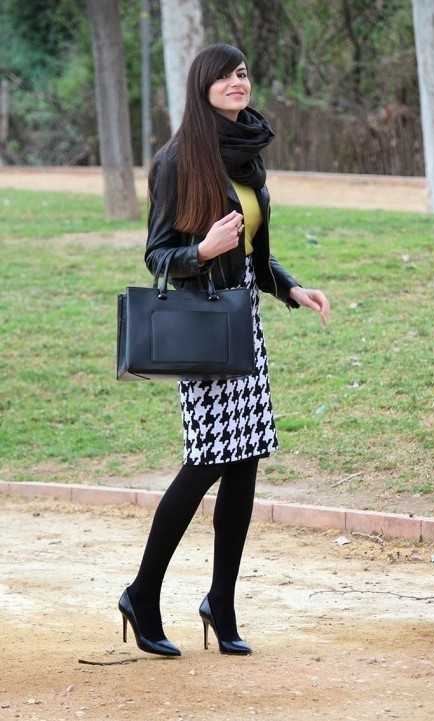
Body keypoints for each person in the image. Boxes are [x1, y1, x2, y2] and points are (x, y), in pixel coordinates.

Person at [118, 42, 330, 658]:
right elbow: (159, 255)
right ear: (202, 86)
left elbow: (256, 254)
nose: (238, 82)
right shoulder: (178, 161)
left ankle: (222, 601)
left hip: (243, 324)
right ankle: (142, 594)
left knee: (245, 464)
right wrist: (203, 251)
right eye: (224, 76)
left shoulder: (247, 153)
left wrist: (290, 287)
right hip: (204, 327)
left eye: (242, 73)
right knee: (207, 461)